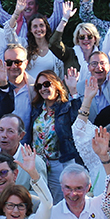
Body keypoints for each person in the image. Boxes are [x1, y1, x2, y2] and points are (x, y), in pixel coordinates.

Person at [29, 70, 82, 202]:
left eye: (46, 84)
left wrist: (73, 90)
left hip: (58, 163)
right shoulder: (36, 109)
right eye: (39, 86)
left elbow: (80, 121)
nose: (43, 89)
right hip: (38, 164)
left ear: (56, 85)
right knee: (40, 200)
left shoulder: (66, 107)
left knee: (58, 201)